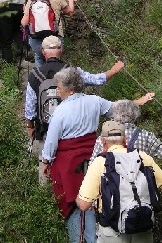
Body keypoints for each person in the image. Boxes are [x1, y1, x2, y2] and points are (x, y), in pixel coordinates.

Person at [25, 35, 124, 185]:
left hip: (45, 128)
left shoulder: (34, 75)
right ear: (61, 50)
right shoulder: (72, 72)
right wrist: (113, 70)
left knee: (45, 162)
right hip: (73, 131)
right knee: (77, 169)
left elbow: (30, 107)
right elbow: (96, 80)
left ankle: (45, 195)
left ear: (43, 52)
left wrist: (30, 126)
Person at [76, 121, 162, 243]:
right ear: (125, 139)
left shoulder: (99, 162)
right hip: (143, 227)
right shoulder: (142, 157)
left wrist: (79, 198)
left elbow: (84, 204)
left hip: (112, 232)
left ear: (103, 141)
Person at [40, 67, 119, 243]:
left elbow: (52, 141)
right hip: (93, 156)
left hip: (69, 163)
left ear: (71, 88)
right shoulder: (95, 101)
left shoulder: (60, 111)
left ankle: (81, 237)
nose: (57, 90)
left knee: (76, 200)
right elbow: (116, 112)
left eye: (59, 87)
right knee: (95, 193)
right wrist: (136, 103)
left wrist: (45, 161)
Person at [89, 97, 162, 165]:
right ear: (135, 115)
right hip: (140, 187)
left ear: (114, 116)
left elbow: (92, 166)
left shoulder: (103, 139)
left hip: (112, 188)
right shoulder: (146, 136)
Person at [20, 0, 77, 67]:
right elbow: (70, 12)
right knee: (55, 62)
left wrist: (25, 10)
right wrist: (71, 0)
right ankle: (55, 79)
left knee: (39, 57)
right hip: (55, 40)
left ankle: (40, 80)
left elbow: (24, 23)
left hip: (37, 41)